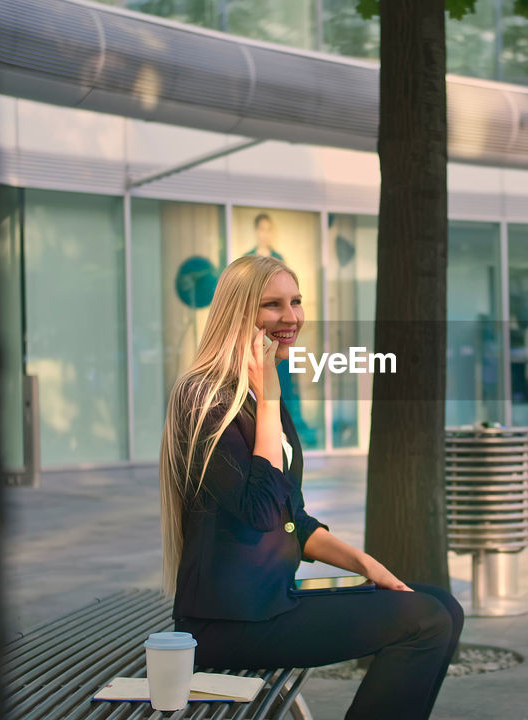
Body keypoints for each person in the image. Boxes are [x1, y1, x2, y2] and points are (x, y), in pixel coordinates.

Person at [159, 255, 463, 719]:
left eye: (296, 302)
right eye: (273, 305)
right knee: (425, 623)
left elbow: (291, 519)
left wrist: (364, 564)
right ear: (239, 313)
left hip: (272, 602)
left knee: (443, 604)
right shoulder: (203, 398)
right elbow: (260, 509)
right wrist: (269, 397)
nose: (292, 317)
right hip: (228, 624)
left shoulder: (260, 396)